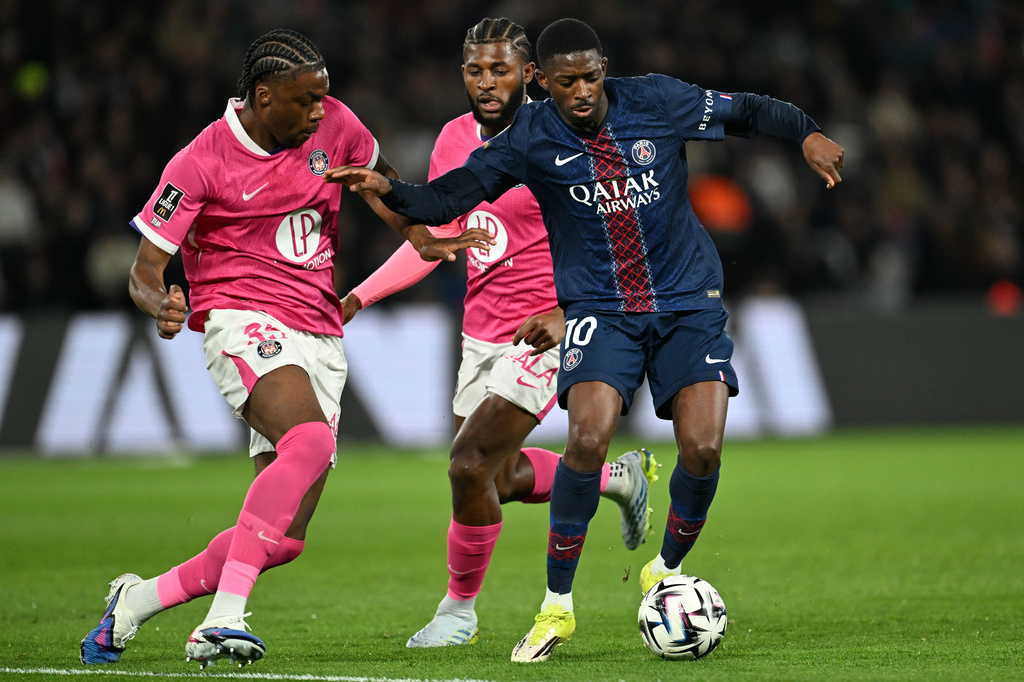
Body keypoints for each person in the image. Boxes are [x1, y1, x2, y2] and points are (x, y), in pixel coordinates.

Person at [326, 17, 845, 663]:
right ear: (543, 81)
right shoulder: (529, 136)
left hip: (686, 303)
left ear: (605, 69)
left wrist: (807, 133)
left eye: (591, 77)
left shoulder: (655, 99)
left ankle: (664, 569)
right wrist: (391, 191)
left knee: (704, 449)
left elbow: (749, 110)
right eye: (566, 81)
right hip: (602, 310)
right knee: (587, 440)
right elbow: (448, 197)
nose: (580, 92)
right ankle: (556, 609)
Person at [78, 29, 490, 670]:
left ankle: (137, 601)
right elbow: (144, 269)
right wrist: (160, 302)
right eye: (306, 102)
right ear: (262, 98)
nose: (320, 112)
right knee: (311, 442)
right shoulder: (199, 162)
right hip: (241, 320)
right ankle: (222, 621)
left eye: (324, 99)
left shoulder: (336, 126)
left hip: (320, 329)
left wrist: (419, 234)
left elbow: (380, 183)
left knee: (284, 539)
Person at [340, 17, 659, 649]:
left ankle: (458, 612)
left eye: (501, 70)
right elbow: (434, 243)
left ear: (530, 76)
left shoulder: (565, 138)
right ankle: (615, 479)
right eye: (475, 70)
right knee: (500, 477)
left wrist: (573, 314)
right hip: (482, 333)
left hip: (548, 327)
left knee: (466, 465)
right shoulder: (454, 139)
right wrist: (358, 296)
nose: (487, 83)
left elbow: (612, 242)